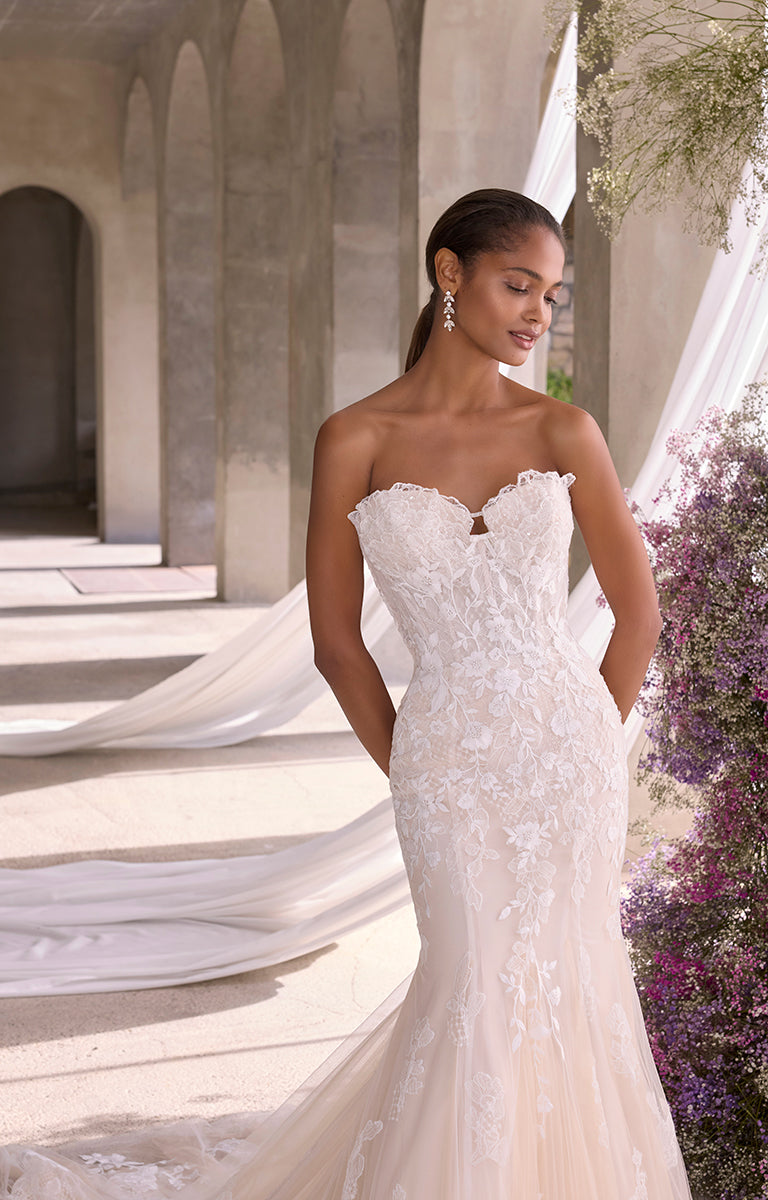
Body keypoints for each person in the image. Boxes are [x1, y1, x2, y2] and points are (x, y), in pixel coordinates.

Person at [0, 189, 692, 1199]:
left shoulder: (565, 430)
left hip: (568, 757)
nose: (539, 312)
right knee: (471, 976)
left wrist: (585, 736)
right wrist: (416, 763)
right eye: (519, 284)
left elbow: (639, 616)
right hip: (447, 759)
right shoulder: (355, 437)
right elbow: (336, 644)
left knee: (571, 971)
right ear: (449, 274)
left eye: (552, 292)